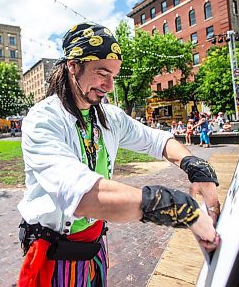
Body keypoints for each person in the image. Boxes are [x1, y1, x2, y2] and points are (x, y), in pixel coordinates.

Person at [17, 23, 221, 287]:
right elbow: (81, 195)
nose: (109, 86)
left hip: (94, 247)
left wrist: (194, 165)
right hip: (55, 256)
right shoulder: (43, 120)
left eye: (114, 76)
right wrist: (174, 207)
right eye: (102, 73)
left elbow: (158, 140)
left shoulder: (109, 116)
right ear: (73, 66)